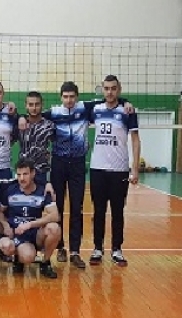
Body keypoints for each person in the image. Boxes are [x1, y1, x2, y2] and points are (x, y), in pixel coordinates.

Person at [40, 81, 133, 269]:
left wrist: (125, 102)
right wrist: (19, 116)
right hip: (58, 164)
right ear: (60, 97)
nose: (69, 100)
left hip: (77, 164)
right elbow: (34, 115)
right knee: (58, 207)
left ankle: (75, 251)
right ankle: (60, 247)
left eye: (72, 97)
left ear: (77, 97)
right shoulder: (54, 113)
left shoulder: (85, 108)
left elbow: (110, 99)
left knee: (77, 208)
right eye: (65, 97)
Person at [88, 75, 140, 267]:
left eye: (113, 88)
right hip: (98, 168)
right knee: (98, 211)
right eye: (107, 88)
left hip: (119, 170)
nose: (110, 92)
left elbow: (135, 140)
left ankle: (117, 249)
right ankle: (97, 248)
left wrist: (135, 168)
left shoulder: (128, 111)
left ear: (119, 89)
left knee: (118, 211)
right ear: (102, 89)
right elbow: (73, 105)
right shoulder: (95, 108)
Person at [0, 159, 60, 278]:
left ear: (33, 173)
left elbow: (55, 215)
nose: (21, 178)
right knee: (28, 257)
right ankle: (18, 258)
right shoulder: (10, 190)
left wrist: (30, 224)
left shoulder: (42, 191)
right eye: (19, 174)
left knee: (54, 228)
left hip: (35, 233)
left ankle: (45, 262)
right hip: (18, 234)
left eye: (25, 174)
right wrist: (5, 225)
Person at [18, 91, 55, 186]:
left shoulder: (49, 125)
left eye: (37, 104)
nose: (34, 108)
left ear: (42, 105)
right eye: (30, 104)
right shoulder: (19, 124)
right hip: (23, 171)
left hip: (41, 172)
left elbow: (58, 143)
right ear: (26, 105)